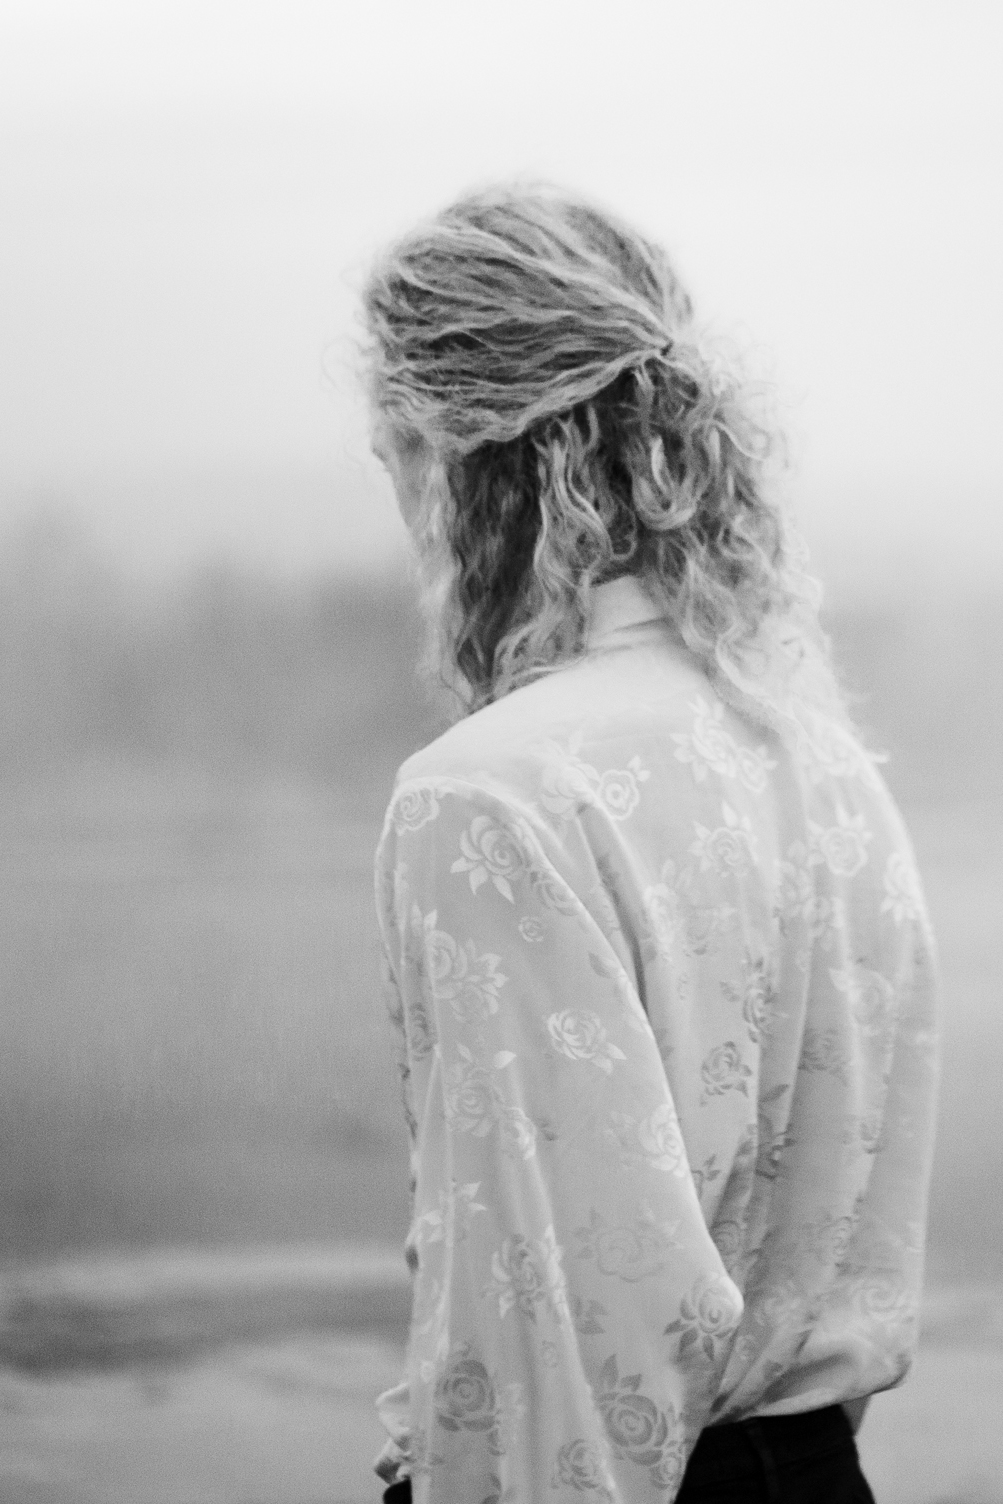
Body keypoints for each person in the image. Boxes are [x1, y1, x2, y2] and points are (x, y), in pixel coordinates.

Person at [360, 185, 938, 1504]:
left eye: (389, 452)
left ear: (454, 453)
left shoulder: (487, 797)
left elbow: (568, 1343)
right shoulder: (821, 763)